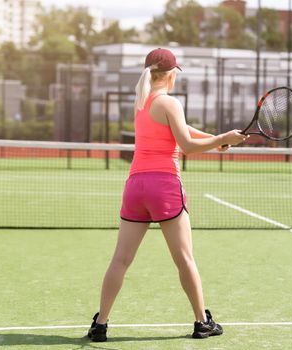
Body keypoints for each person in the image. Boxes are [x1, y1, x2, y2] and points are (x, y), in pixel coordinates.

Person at [88, 48, 248, 342]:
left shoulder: (142, 101)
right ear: (172, 74)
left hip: (135, 186)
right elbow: (185, 145)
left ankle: (100, 325)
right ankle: (202, 322)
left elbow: (181, 130)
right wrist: (222, 140)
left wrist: (215, 139)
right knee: (185, 258)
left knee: (120, 259)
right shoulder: (170, 102)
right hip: (164, 186)